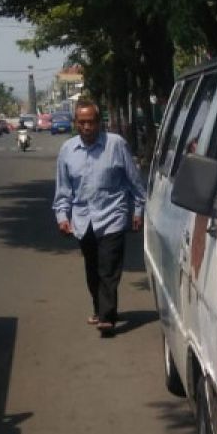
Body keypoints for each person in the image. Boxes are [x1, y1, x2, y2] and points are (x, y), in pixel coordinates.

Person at [53, 99, 145, 337]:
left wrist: (138, 210)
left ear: (99, 123)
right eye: (82, 123)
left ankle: (107, 317)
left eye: (91, 122)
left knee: (108, 267)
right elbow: (63, 190)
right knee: (92, 269)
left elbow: (134, 181)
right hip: (83, 219)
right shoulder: (67, 151)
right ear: (76, 123)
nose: (87, 127)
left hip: (112, 214)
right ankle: (100, 308)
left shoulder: (116, 145)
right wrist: (62, 216)